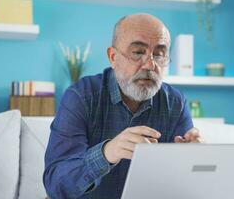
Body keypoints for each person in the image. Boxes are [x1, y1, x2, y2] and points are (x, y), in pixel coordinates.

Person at [43, 13, 202, 199]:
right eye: (138, 52)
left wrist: (198, 160)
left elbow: (186, 184)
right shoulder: (81, 96)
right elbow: (56, 184)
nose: (150, 65)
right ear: (113, 57)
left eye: (159, 55)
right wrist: (106, 153)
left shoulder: (175, 102)